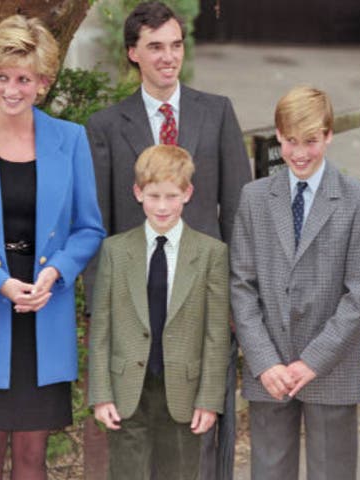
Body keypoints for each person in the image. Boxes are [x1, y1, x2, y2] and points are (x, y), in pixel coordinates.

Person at [0, 15, 105, 479]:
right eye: (3, 77)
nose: (12, 89)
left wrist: (55, 273)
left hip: (44, 311)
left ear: (44, 82)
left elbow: (89, 228)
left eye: (24, 79)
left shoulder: (69, 140)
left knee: (32, 460)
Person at [85, 3, 251, 477]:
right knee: (135, 432)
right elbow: (101, 221)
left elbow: (237, 210)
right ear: (133, 53)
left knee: (197, 434)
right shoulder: (106, 126)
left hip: (202, 296)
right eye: (155, 46)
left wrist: (238, 300)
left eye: (176, 45)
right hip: (137, 298)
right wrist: (101, 306)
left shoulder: (217, 113)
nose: (168, 56)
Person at [231, 85, 360, 480]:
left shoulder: (359, 200)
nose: (300, 153)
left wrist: (313, 361)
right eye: (291, 141)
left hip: (331, 366)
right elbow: (241, 286)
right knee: (268, 470)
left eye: (312, 141)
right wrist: (264, 362)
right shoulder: (254, 198)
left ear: (330, 135)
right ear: (278, 136)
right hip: (270, 370)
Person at [88, 144, 230, 480]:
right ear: (138, 193)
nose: (162, 206)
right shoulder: (115, 250)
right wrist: (101, 394)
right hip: (128, 389)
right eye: (153, 196)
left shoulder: (211, 253)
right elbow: (102, 327)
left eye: (171, 196)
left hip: (182, 389)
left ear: (188, 193)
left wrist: (209, 399)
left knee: (179, 471)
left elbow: (216, 333)